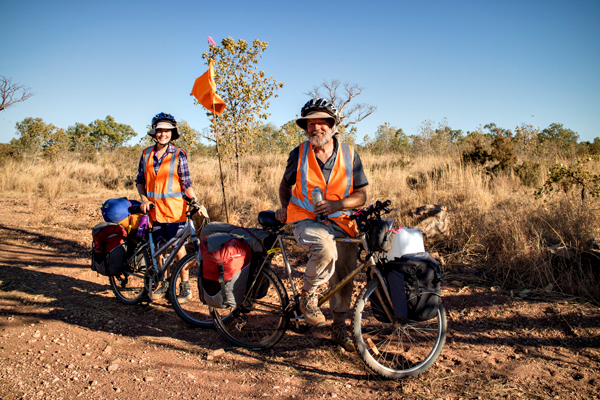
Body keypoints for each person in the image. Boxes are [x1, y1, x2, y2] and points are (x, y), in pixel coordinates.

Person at [275, 98, 368, 352]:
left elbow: (362, 195)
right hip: (305, 218)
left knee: (344, 275)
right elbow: (286, 186)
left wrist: (337, 205)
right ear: (306, 129)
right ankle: (309, 298)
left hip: (341, 220)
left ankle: (339, 328)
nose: (316, 128)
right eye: (310, 124)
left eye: (321, 123)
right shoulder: (299, 153)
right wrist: (284, 206)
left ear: (332, 125)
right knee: (325, 247)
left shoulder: (350, 154)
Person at [136, 112, 199, 303]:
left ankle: (185, 287)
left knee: (179, 249)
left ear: (173, 133)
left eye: (167, 131)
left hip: (175, 211)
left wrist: (195, 201)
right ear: (154, 132)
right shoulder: (146, 153)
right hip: (154, 212)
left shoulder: (179, 154)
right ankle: (162, 284)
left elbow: (186, 183)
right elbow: (140, 181)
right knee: (159, 249)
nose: (163, 134)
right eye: (160, 130)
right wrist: (144, 199)